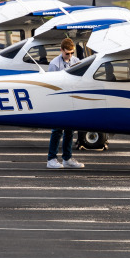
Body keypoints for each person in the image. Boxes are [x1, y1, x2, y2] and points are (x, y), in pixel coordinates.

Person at [46, 38, 84, 169]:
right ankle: (51, 158)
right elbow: (50, 85)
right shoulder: (54, 64)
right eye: (67, 53)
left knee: (70, 130)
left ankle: (67, 158)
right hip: (59, 100)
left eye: (72, 53)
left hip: (71, 100)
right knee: (57, 130)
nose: (70, 56)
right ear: (61, 50)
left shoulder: (76, 62)